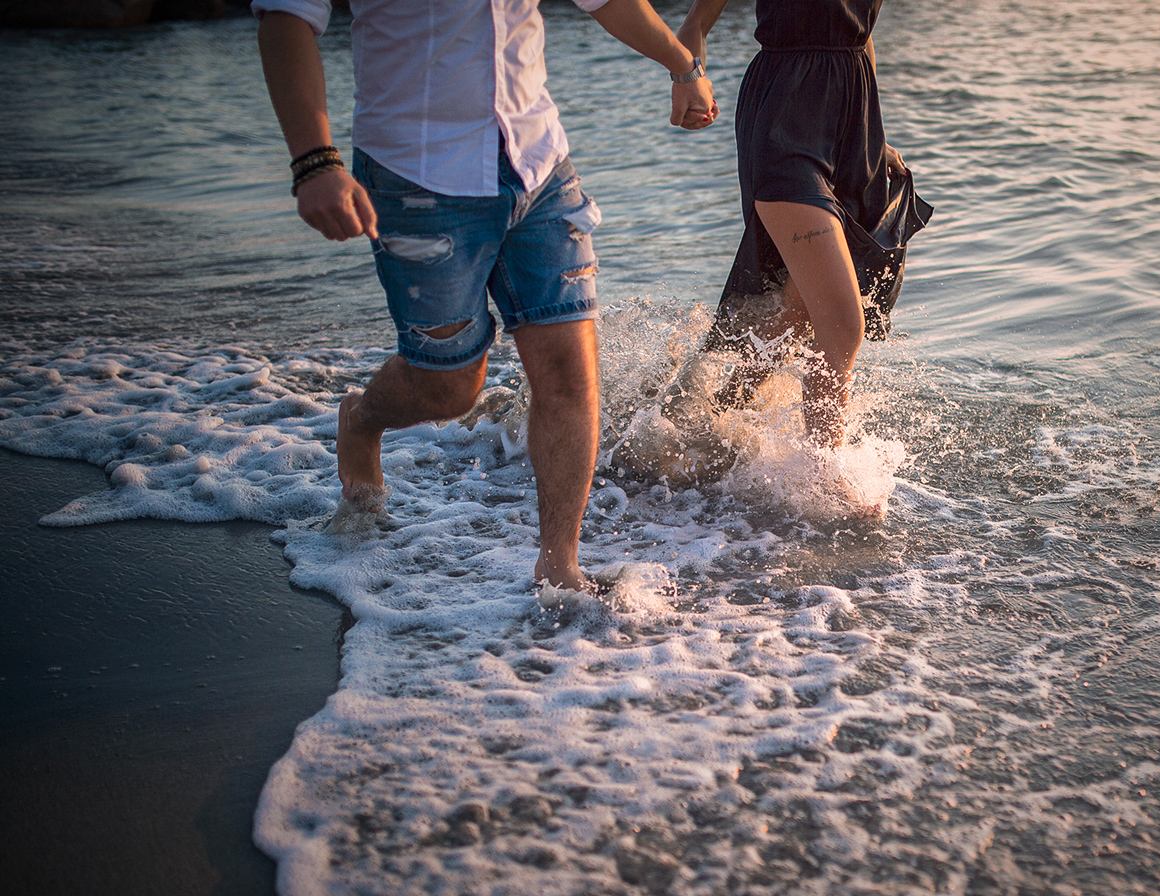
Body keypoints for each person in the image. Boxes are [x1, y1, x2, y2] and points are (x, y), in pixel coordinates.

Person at [252, 0, 718, 593]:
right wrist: (314, 161)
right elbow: (286, 18)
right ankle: (363, 418)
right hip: (417, 174)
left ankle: (560, 568)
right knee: (448, 386)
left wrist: (681, 64)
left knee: (569, 375)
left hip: (539, 164)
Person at [677, 0, 930, 449]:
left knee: (799, 305)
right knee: (840, 319)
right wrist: (687, 79)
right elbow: (697, 23)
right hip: (784, 115)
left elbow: (857, 33)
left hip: (853, 120)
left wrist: (878, 136)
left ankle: (705, 415)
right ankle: (824, 476)